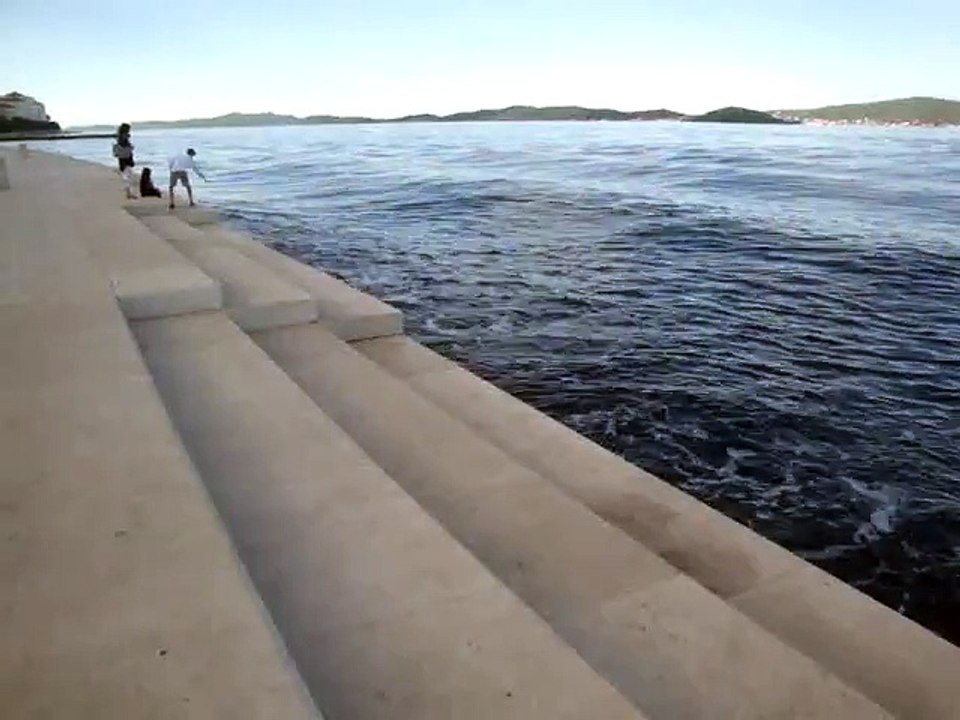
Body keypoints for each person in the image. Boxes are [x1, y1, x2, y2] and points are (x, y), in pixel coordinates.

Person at [112, 123, 136, 199]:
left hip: (124, 159)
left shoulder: (121, 137)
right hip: (126, 158)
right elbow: (126, 147)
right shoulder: (124, 137)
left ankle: (129, 193)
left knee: (128, 176)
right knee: (129, 177)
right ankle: (129, 193)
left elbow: (120, 149)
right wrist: (130, 147)